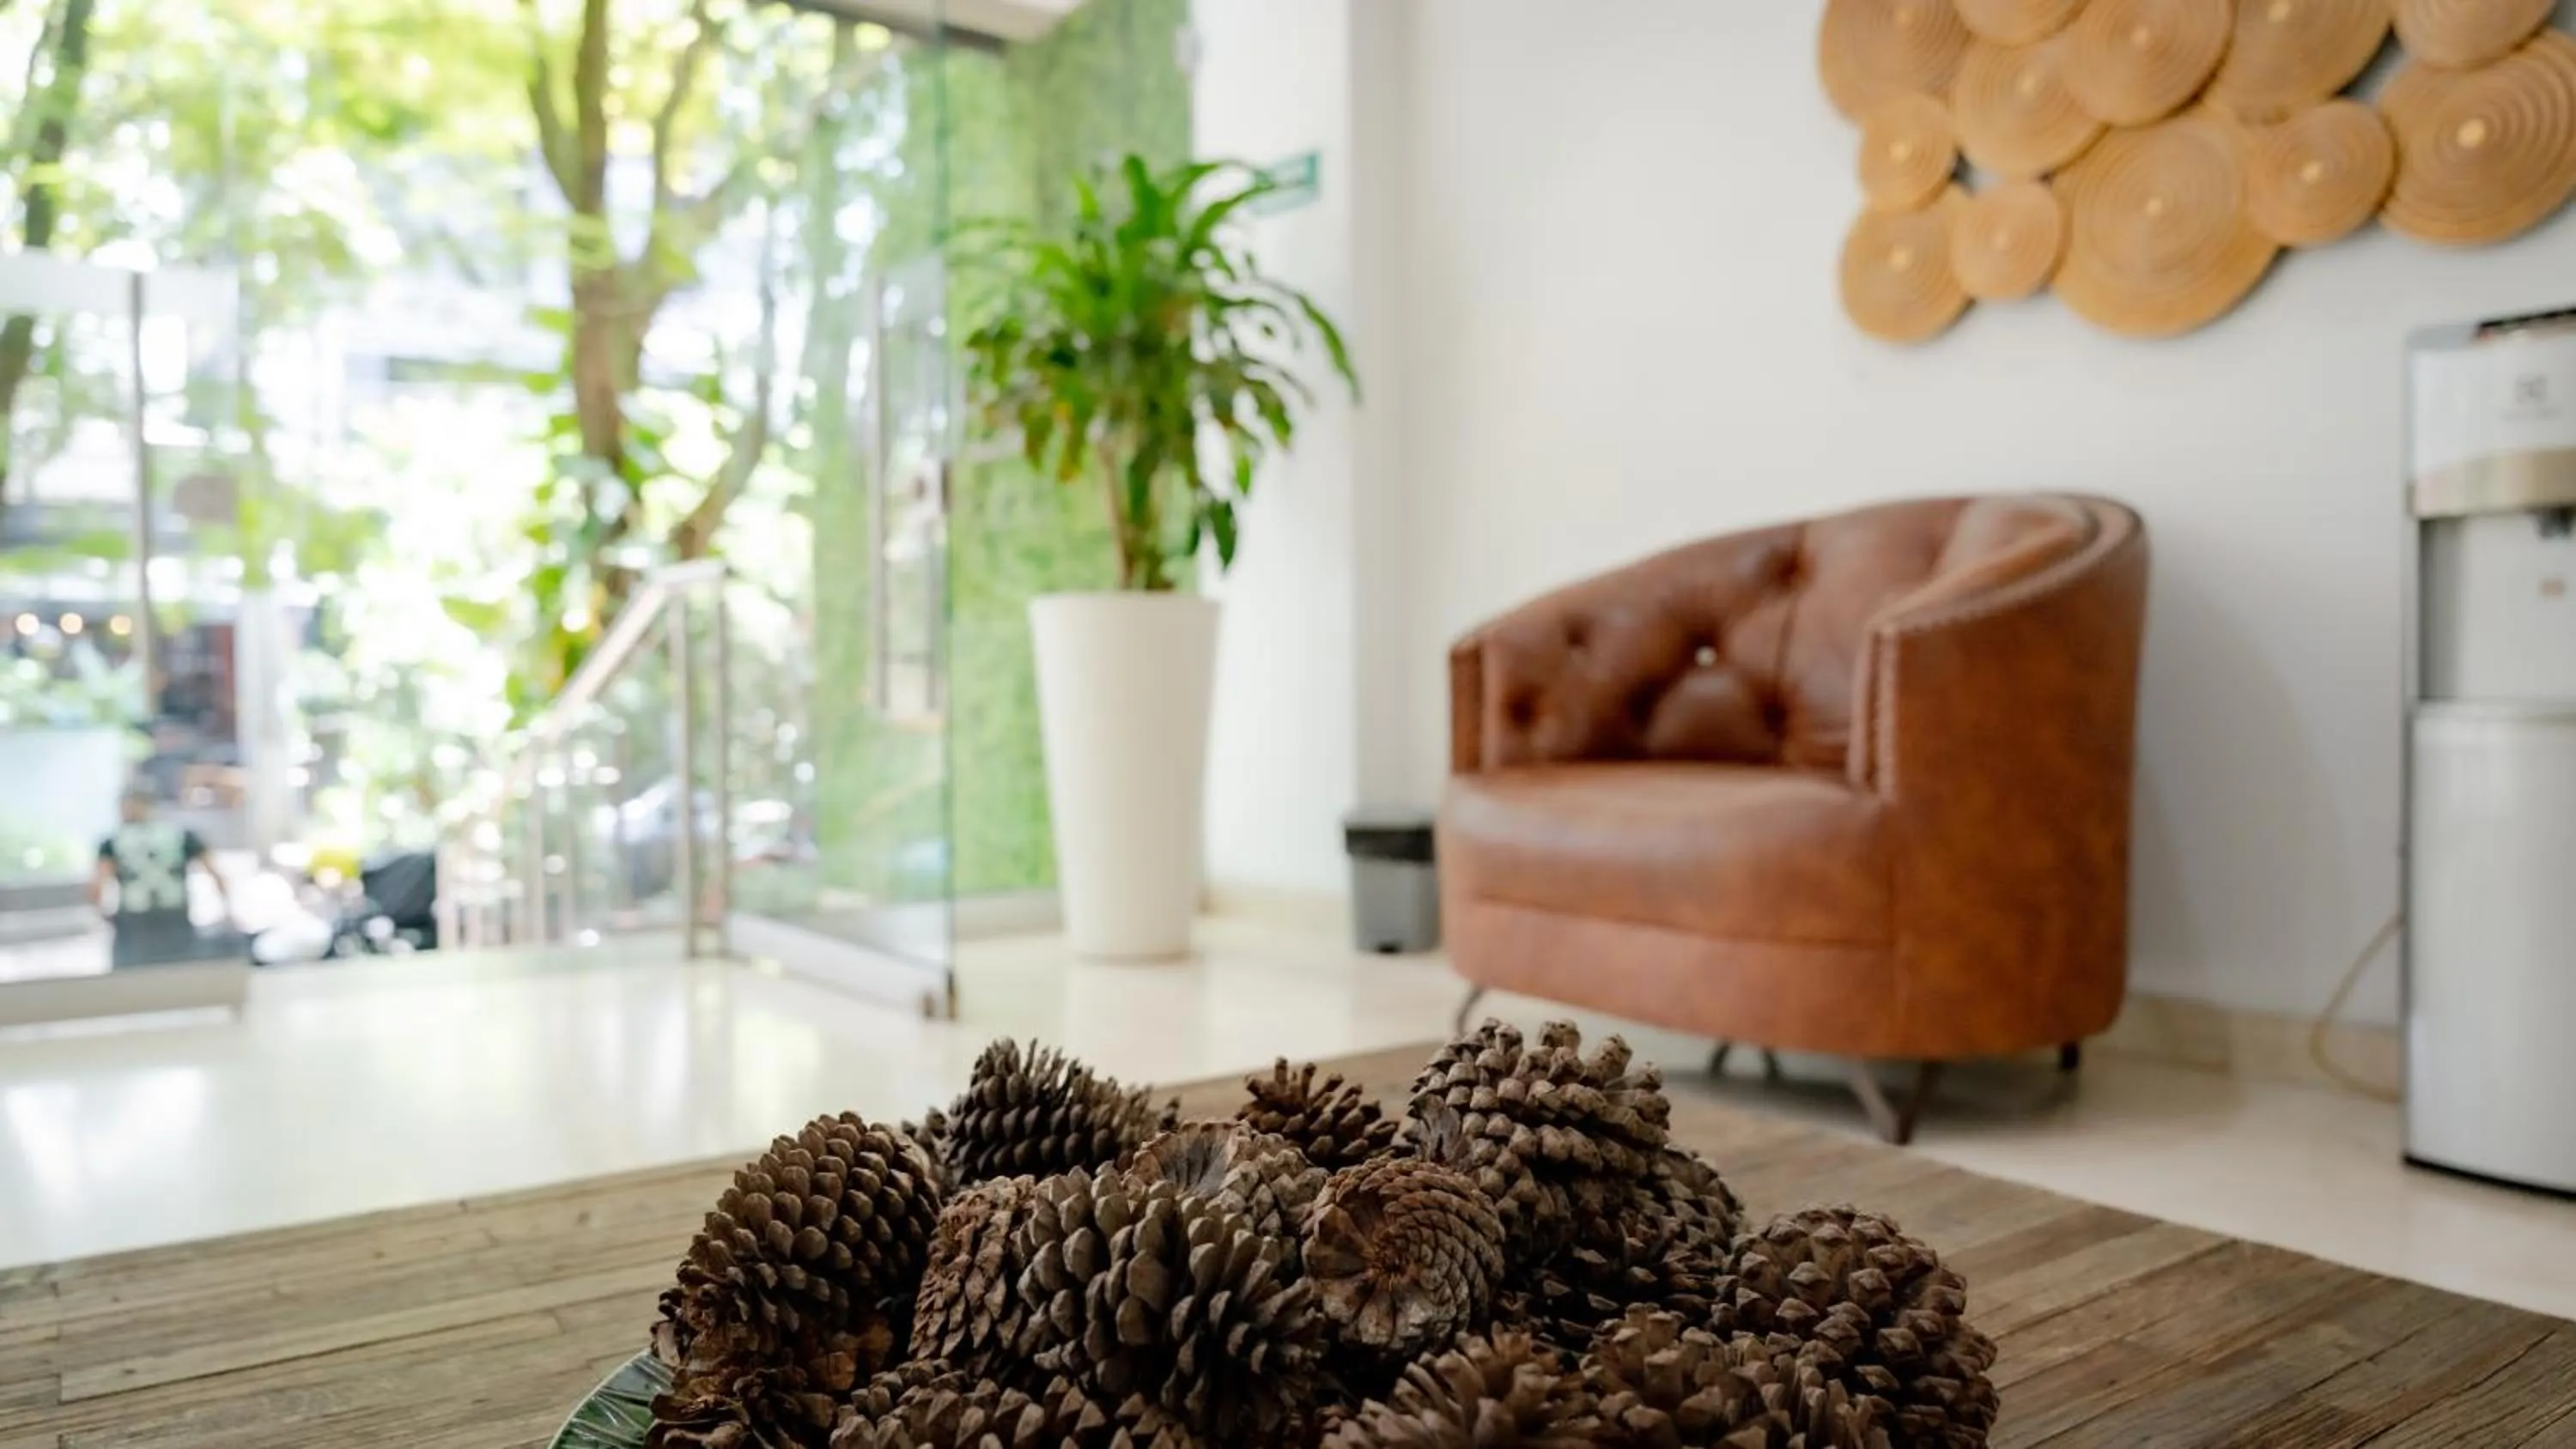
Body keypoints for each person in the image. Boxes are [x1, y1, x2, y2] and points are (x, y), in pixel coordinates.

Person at [91, 785, 233, 968]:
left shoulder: (113, 842)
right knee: (177, 974)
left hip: (134, 919)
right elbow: (216, 874)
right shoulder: (181, 835)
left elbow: (96, 886)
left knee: (132, 978)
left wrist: (102, 914)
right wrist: (227, 908)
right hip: (175, 915)